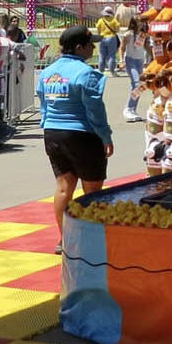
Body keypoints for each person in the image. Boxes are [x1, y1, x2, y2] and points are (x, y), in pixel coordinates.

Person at [36, 25, 114, 241]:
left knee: (63, 187)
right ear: (79, 47)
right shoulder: (86, 73)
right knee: (93, 189)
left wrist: (47, 125)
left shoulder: (47, 72)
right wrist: (105, 136)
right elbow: (95, 110)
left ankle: (65, 239)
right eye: (91, 45)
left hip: (53, 133)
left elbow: (43, 105)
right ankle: (92, 238)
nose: (93, 48)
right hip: (82, 135)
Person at [120, 9, 150, 123]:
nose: (141, 23)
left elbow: (147, 48)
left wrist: (151, 58)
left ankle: (132, 109)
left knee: (140, 85)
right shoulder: (128, 34)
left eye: (142, 21)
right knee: (136, 83)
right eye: (138, 21)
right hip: (130, 60)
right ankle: (128, 108)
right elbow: (121, 48)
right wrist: (121, 61)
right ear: (134, 22)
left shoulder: (144, 35)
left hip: (140, 61)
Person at [95, 5, 121, 73]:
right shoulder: (113, 19)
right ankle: (112, 71)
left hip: (102, 37)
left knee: (101, 55)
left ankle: (101, 70)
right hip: (111, 37)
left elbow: (98, 29)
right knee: (111, 55)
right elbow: (117, 29)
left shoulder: (100, 20)